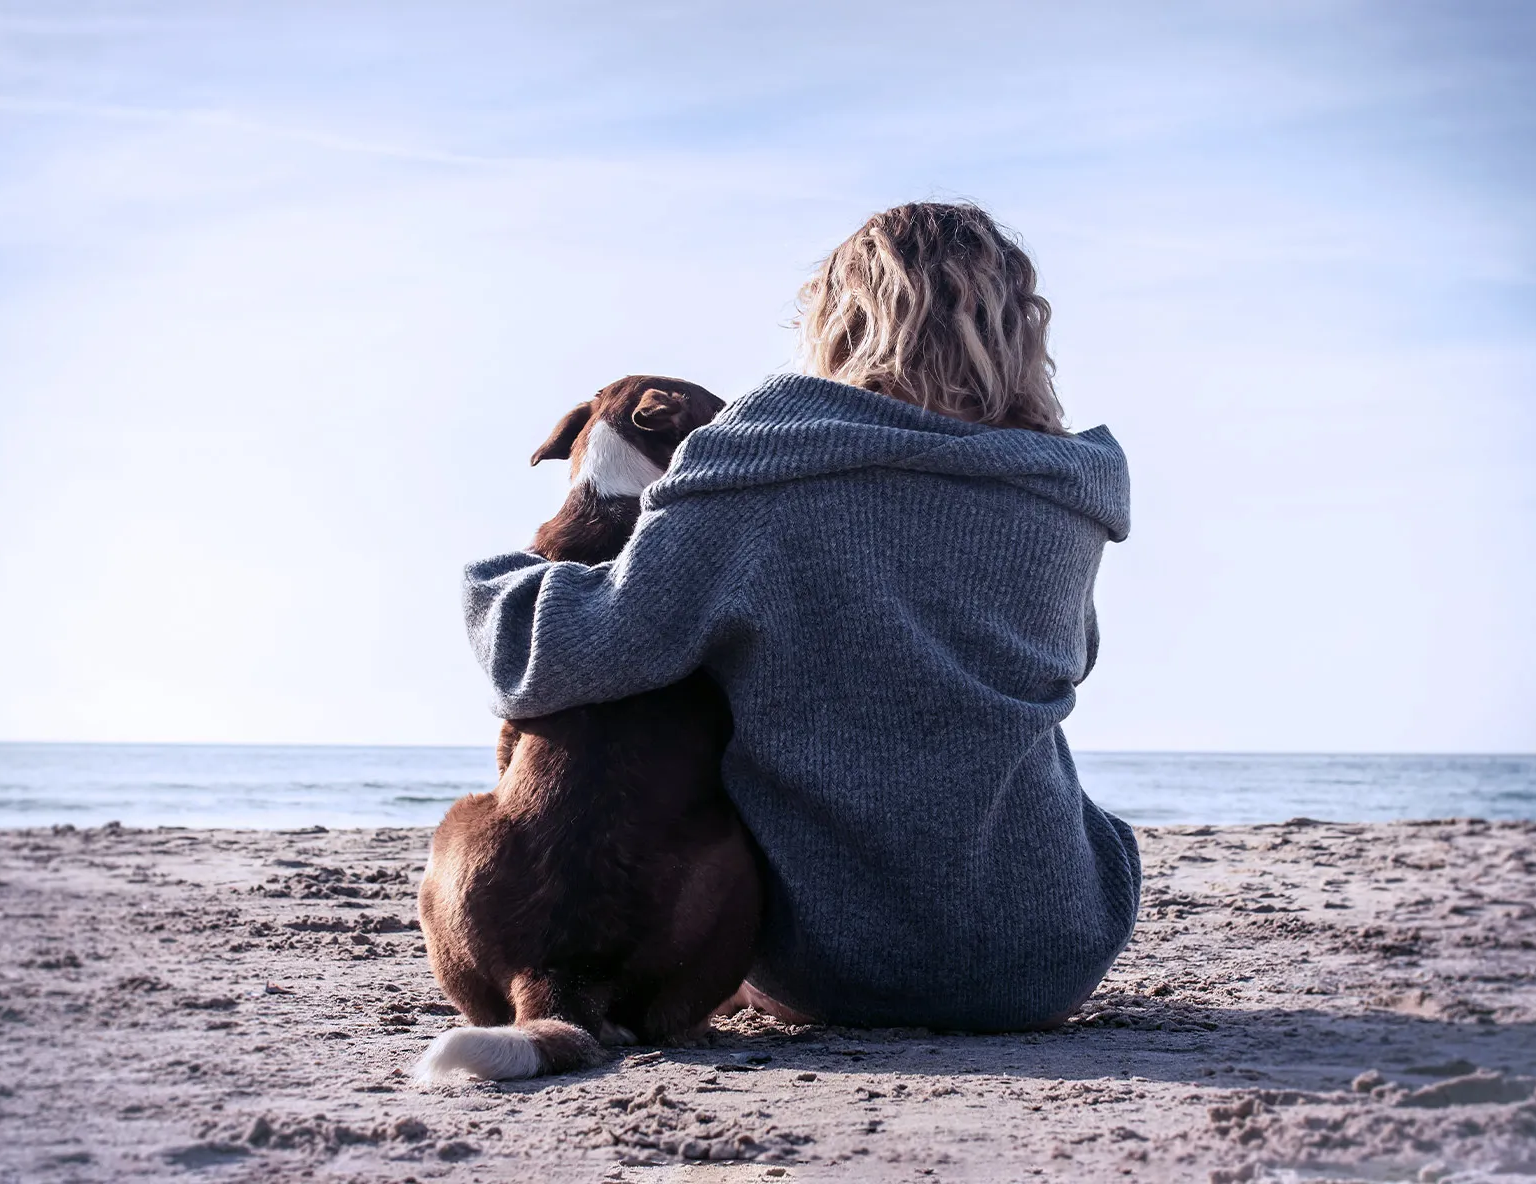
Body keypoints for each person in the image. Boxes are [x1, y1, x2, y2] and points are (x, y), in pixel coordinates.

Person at [463, 202, 1140, 1031]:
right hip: (1052, 953)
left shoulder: (764, 467)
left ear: (839, 323)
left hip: (834, 967)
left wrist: (505, 577)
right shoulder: (1063, 493)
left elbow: (568, 657)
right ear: (1019, 331)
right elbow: (1071, 661)